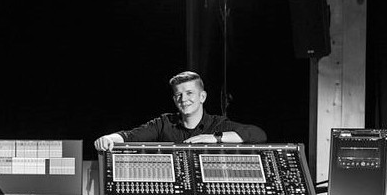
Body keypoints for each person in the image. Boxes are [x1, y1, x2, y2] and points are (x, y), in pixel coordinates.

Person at [93, 70, 266, 150]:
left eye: (189, 93)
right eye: (178, 95)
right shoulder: (164, 123)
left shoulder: (217, 124)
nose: (183, 99)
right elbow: (130, 136)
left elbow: (258, 134)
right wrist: (108, 138)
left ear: (202, 96)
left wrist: (214, 138)